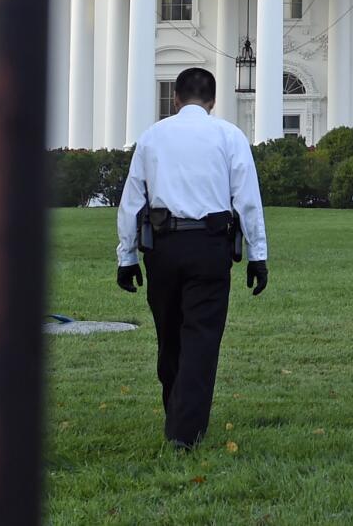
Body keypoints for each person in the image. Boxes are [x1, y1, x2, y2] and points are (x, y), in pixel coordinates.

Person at [115, 67, 269, 450]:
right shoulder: (229, 136)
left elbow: (132, 202)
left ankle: (178, 417)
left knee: (169, 336)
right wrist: (258, 256)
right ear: (213, 101)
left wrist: (127, 257)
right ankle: (185, 430)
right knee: (201, 336)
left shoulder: (152, 137)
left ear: (176, 99)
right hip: (211, 247)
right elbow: (247, 200)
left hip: (163, 248)